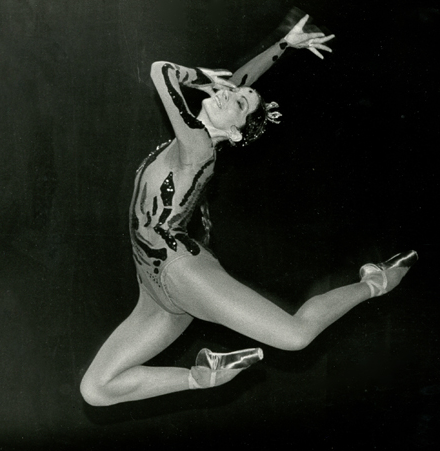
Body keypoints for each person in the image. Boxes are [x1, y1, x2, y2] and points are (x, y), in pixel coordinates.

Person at [80, 14, 417, 406]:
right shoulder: (198, 136)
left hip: (179, 270)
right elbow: (238, 85)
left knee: (295, 336)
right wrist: (284, 46)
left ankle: (375, 282)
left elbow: (162, 71)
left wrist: (210, 80)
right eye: (232, 92)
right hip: (154, 291)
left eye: (237, 101)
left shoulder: (198, 147)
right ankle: (202, 379)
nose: (228, 92)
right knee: (97, 389)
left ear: (236, 131)